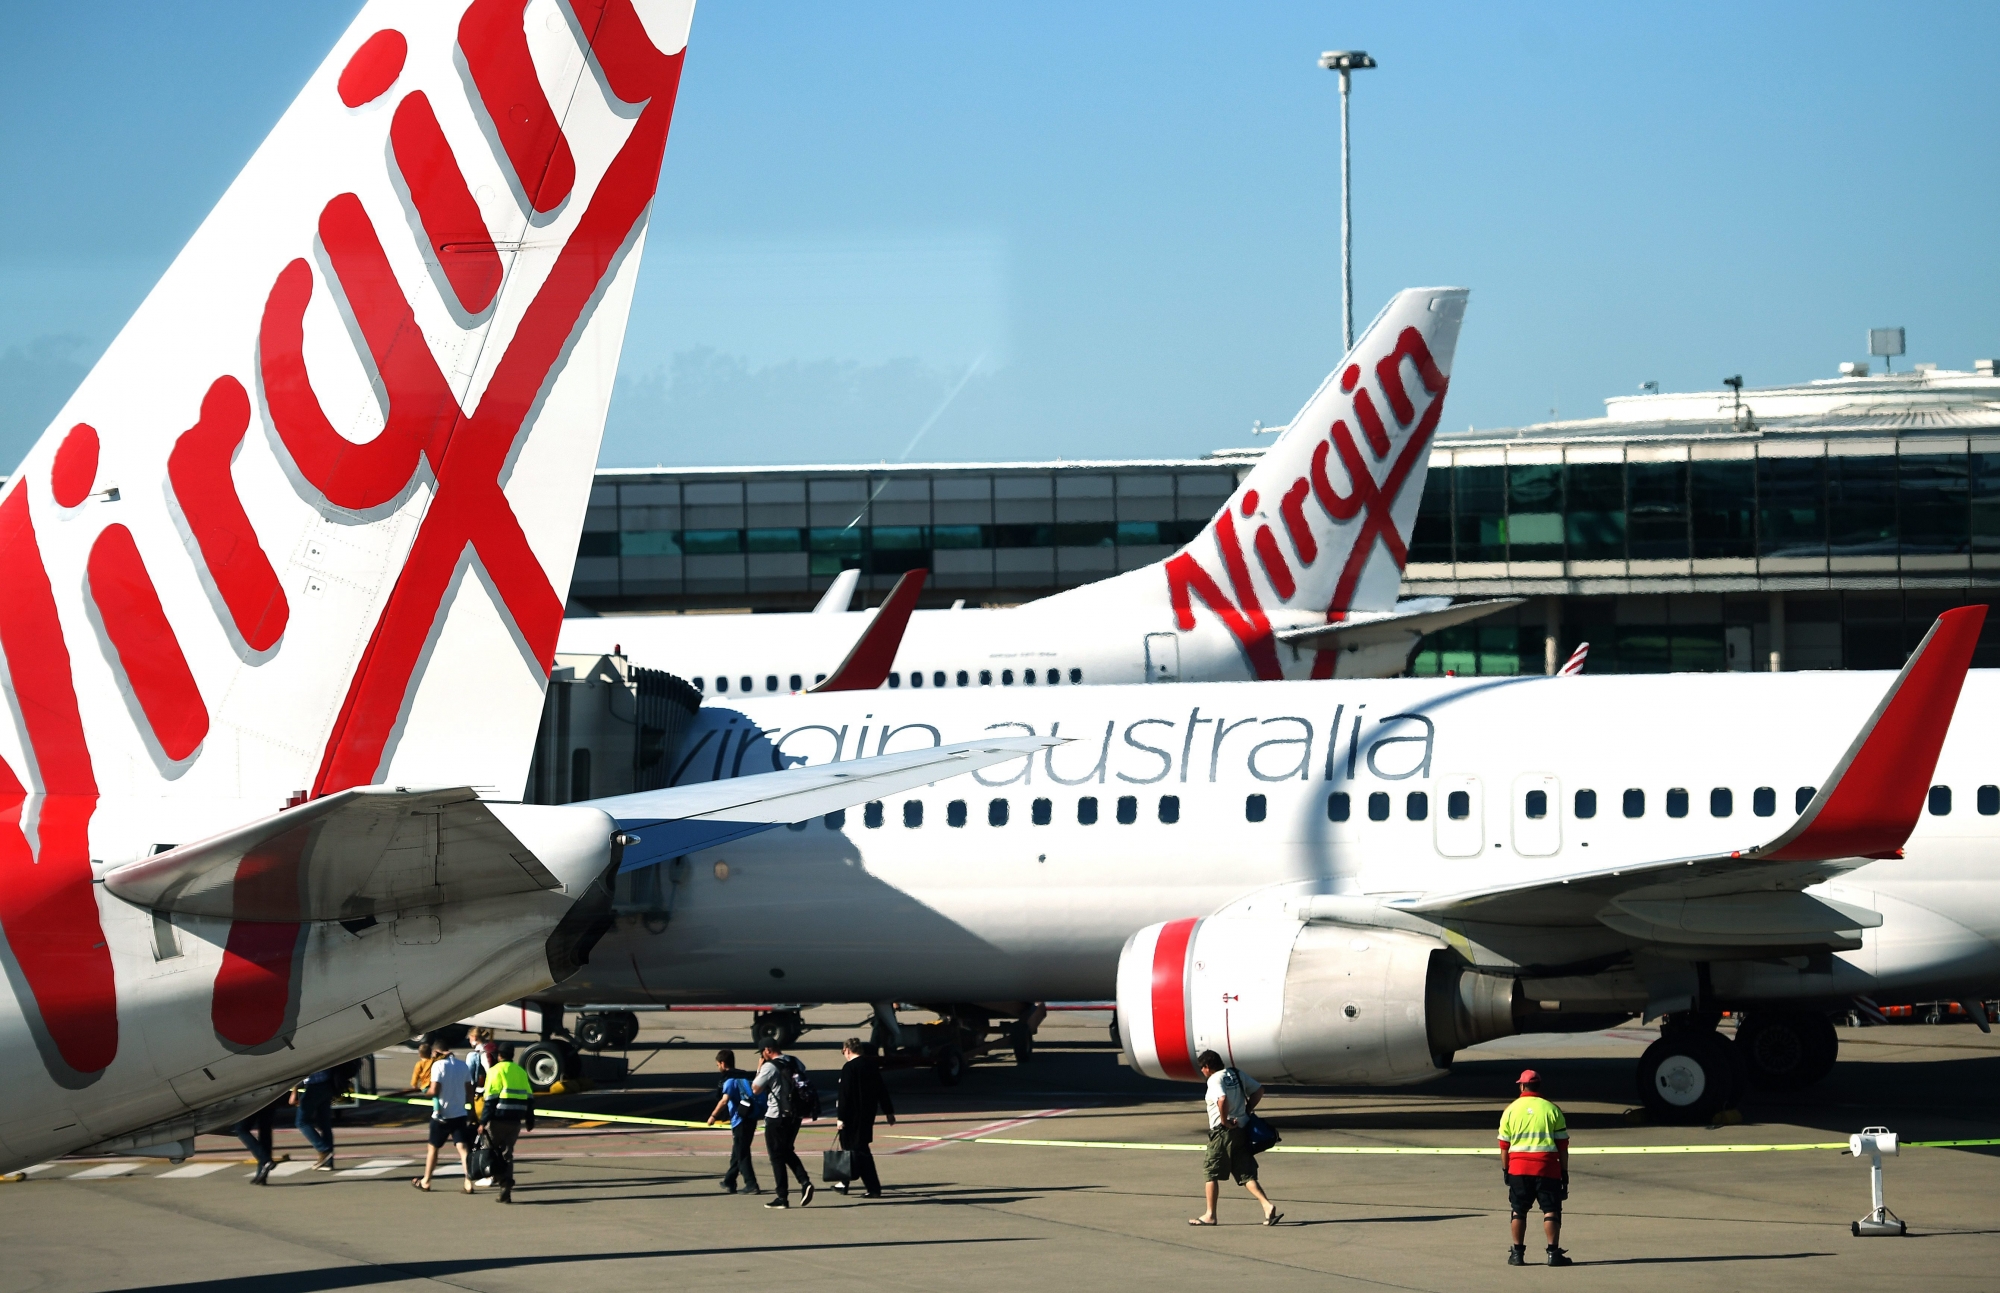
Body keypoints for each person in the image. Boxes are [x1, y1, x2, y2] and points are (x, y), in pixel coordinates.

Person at [1189, 1050, 1279, 1226]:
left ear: (1207, 1067)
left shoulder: (1215, 1079)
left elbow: (1221, 1100)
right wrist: (1247, 1110)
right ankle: (1267, 1205)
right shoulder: (1235, 1073)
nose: (1202, 1071)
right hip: (1242, 1129)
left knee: (1211, 1171)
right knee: (1244, 1172)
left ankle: (1210, 1215)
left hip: (1223, 1133)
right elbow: (1259, 1090)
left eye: (1202, 1068)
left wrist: (1224, 1121)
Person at [1497, 1068, 1571, 1267]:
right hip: (1547, 1169)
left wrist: (1506, 1170)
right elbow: (1563, 1147)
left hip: (1519, 1169)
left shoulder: (1510, 1110)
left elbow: (1504, 1147)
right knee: (1551, 1210)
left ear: (1522, 1085)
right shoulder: (1552, 1110)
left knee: (1518, 1210)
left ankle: (1517, 1253)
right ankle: (1553, 1253)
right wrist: (1564, 1172)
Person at [752, 1041, 815, 1208]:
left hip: (776, 1116)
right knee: (786, 1150)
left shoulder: (769, 1067)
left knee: (776, 1156)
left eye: (762, 1052)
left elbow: (755, 1089)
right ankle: (804, 1181)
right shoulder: (795, 1061)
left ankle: (782, 1197)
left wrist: (759, 1069)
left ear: (768, 1050)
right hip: (795, 1114)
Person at [833, 1038, 895, 1197]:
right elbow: (882, 1090)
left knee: (856, 1151)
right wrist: (888, 1111)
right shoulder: (870, 1066)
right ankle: (844, 1182)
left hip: (851, 1117)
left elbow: (845, 1095)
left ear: (847, 1050)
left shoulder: (849, 1068)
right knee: (858, 1150)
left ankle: (871, 1187)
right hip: (867, 1115)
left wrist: (841, 1117)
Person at [413, 1044, 477, 1193]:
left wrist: (425, 1093)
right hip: (459, 1114)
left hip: (441, 1115)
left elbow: (435, 1090)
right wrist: (472, 1111)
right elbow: (469, 1091)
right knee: (463, 1149)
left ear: (438, 1051)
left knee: (433, 1148)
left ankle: (426, 1181)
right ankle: (468, 1182)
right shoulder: (463, 1066)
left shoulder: (438, 1066)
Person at [479, 1042, 535, 1203]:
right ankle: (507, 1189)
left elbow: (490, 1099)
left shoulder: (495, 1070)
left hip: (498, 1118)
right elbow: (530, 1098)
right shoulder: (520, 1071)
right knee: (507, 1154)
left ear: (499, 1056)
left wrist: (483, 1122)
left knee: (489, 1152)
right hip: (516, 1120)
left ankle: (503, 1181)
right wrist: (530, 1120)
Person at [705, 1048, 761, 1195]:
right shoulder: (744, 1076)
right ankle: (729, 1181)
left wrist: (713, 1116)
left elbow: (724, 1101)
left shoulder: (729, 1081)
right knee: (737, 1151)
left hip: (740, 1120)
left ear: (723, 1064)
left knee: (742, 1153)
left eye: (718, 1065)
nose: (718, 1068)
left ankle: (751, 1184)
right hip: (751, 1117)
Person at [291, 1069, 337, 1171]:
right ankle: (328, 1162)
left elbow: (301, 1069)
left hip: (315, 1085)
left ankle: (323, 1150)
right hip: (327, 1082)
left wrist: (294, 1091)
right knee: (325, 1123)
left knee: (301, 1121)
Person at [232, 1094, 284, 1185]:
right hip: (270, 1096)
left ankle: (265, 1160)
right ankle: (262, 1173)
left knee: (241, 1129)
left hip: (253, 1097)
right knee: (265, 1131)